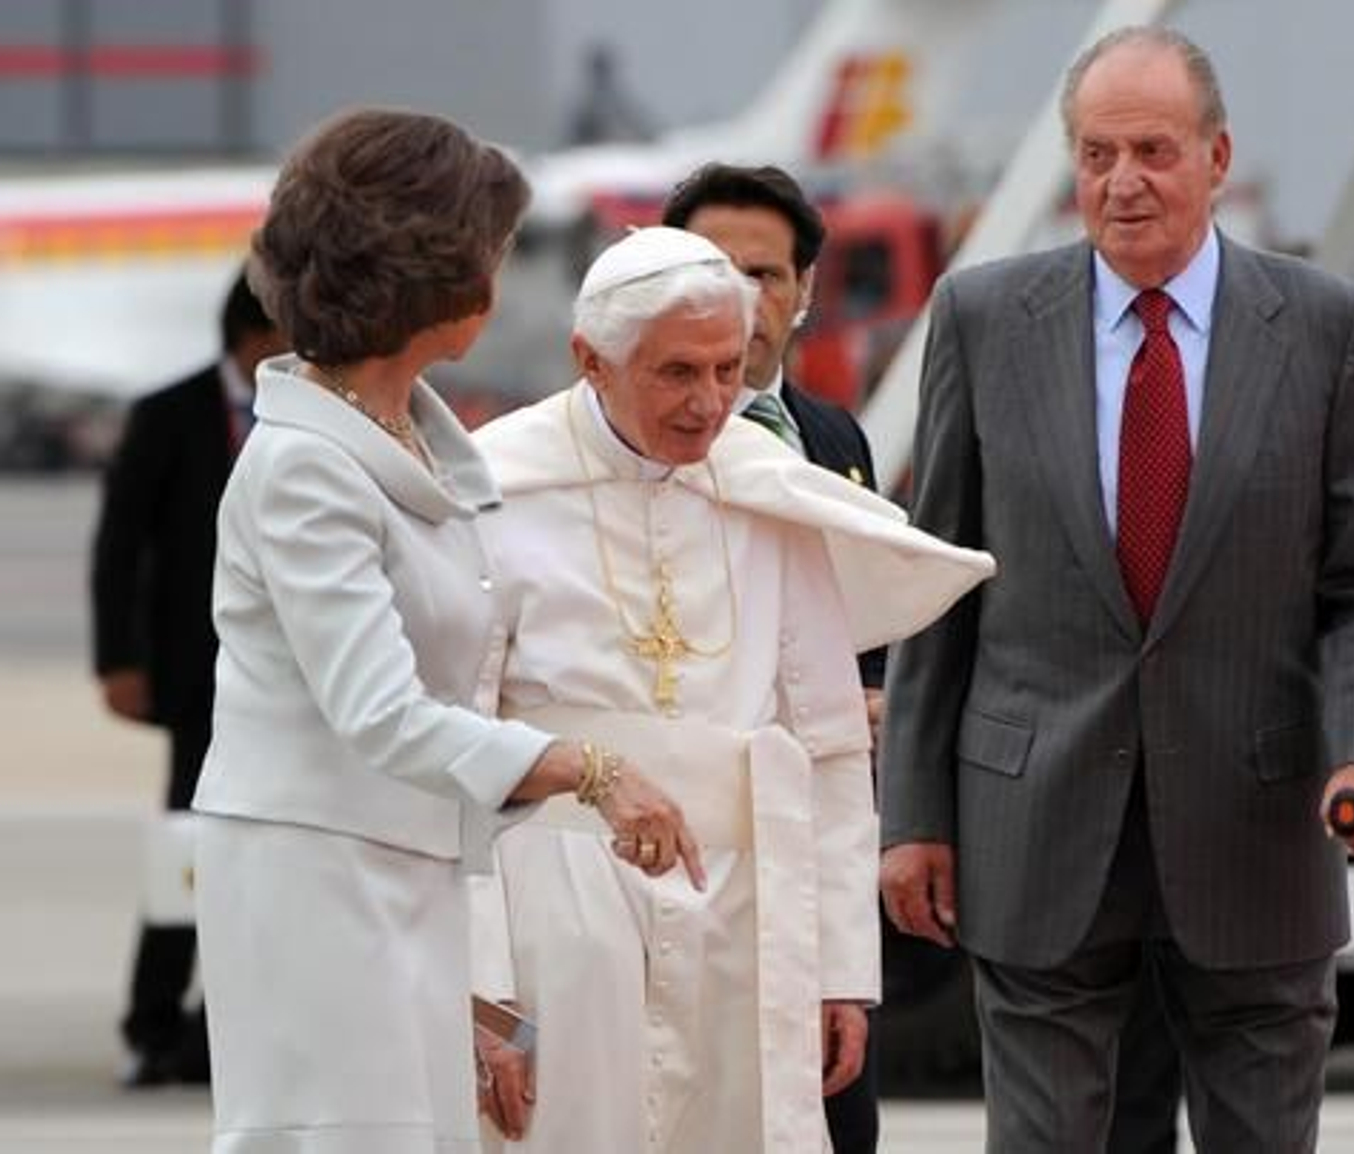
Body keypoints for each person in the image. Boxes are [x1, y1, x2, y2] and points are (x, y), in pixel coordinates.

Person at [878, 26, 1354, 1154]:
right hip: (1034, 822)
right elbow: (940, 578)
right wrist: (916, 814)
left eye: (1152, 150)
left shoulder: (1328, 330)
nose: (1120, 183)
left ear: (1216, 157)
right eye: (1093, 155)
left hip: (1257, 821)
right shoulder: (982, 319)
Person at [190, 108, 703, 1153]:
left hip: (400, 871)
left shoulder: (405, 441)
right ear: (433, 271)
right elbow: (379, 710)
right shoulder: (305, 469)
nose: (501, 279)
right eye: (492, 251)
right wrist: (587, 768)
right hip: (320, 880)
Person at [468, 226, 994, 1154]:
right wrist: (480, 987)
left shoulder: (765, 490)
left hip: (744, 918)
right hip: (558, 906)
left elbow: (825, 742)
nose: (710, 403)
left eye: (726, 369)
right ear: (590, 359)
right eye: (677, 373)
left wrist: (839, 971)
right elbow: (454, 747)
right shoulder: (495, 491)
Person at [662, 160, 885, 1153]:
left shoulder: (834, 438)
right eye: (713, 269)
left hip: (812, 855)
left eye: (765, 275)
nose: (740, 299)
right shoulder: (625, 443)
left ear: (802, 296)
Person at [90, 268, 285, 1087]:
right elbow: (119, 546)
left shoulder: (307, 416)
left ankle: (224, 1028)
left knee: (268, 854)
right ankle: (153, 1019)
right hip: (196, 679)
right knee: (187, 846)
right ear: (254, 337)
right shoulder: (168, 414)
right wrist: (119, 661)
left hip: (285, 679)